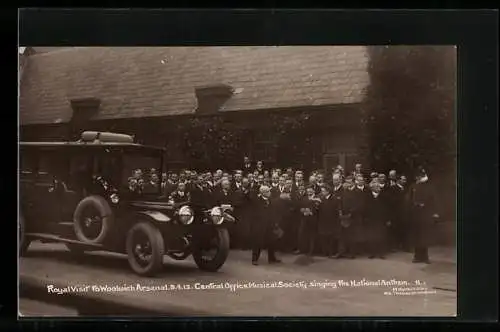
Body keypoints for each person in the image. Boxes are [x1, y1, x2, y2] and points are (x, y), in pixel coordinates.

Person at [407, 168, 440, 264]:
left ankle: (425, 256)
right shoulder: (413, 186)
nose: (417, 178)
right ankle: (417, 256)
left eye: (419, 176)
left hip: (426, 214)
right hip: (415, 214)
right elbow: (408, 199)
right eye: (417, 176)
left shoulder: (430, 186)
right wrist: (412, 206)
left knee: (425, 236)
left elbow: (434, 200)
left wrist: (435, 212)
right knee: (416, 236)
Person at [251, 185, 281, 265]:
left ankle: (271, 258)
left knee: (272, 241)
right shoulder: (257, 201)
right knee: (258, 242)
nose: (270, 193)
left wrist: (275, 222)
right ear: (263, 193)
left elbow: (273, 212)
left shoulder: (271, 200)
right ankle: (255, 259)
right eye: (268, 191)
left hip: (270, 225)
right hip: (260, 225)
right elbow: (254, 214)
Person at [364, 181, 389, 259]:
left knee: (381, 236)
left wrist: (388, 219)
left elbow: (388, 209)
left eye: (379, 187)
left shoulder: (384, 197)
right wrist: (366, 218)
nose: (379, 188)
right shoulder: (367, 197)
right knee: (371, 237)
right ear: (372, 188)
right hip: (371, 220)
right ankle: (372, 253)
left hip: (381, 220)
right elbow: (365, 209)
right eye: (377, 187)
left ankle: (381, 253)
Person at [317, 185, 341, 258]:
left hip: (332, 221)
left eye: (323, 191)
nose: (322, 192)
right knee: (324, 237)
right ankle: (325, 252)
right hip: (323, 221)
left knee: (331, 237)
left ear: (328, 191)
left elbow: (337, 211)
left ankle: (331, 252)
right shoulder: (321, 199)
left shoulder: (334, 199)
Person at [297, 186, 320, 256]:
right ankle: (302, 249)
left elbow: (319, 208)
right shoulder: (304, 198)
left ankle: (311, 251)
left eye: (311, 190)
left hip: (313, 219)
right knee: (302, 234)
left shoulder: (317, 198)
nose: (309, 192)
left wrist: (311, 212)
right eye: (308, 191)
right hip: (304, 219)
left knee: (312, 236)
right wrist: (303, 211)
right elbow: (300, 207)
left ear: (314, 191)